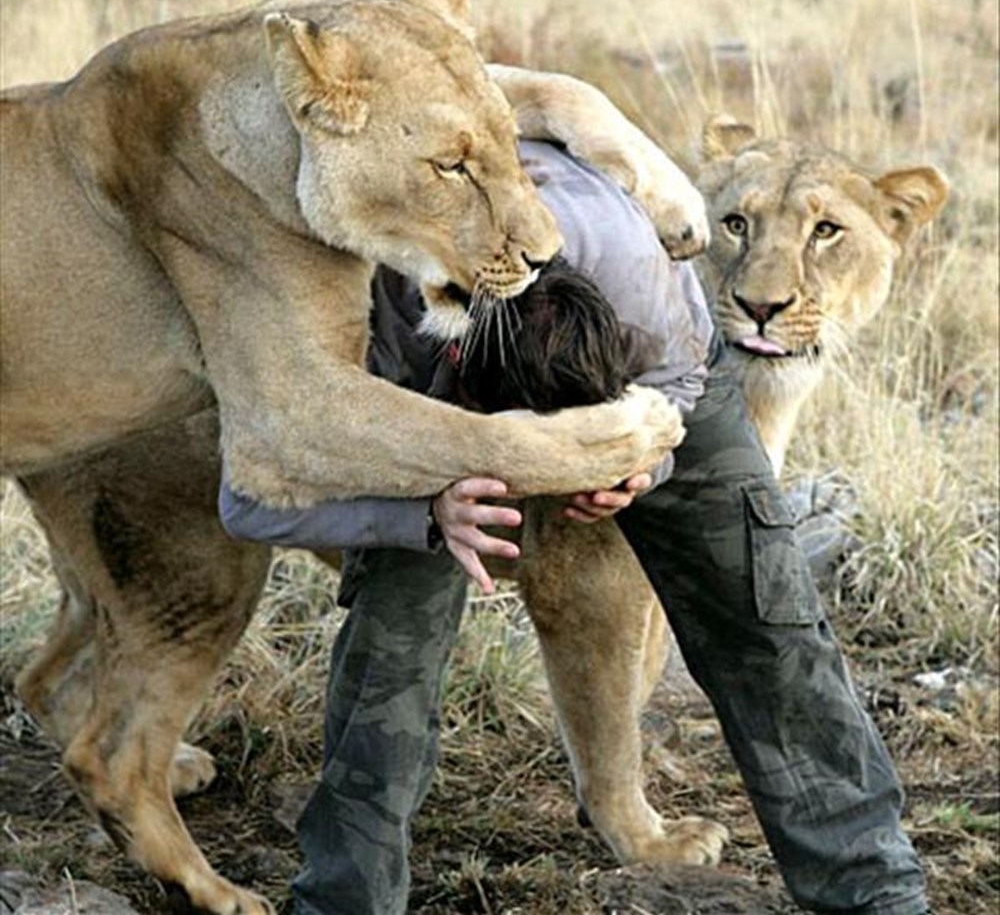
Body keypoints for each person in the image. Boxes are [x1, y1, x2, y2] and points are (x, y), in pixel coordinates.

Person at [221, 141, 930, 915]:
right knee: (393, 635)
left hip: (658, 380)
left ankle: (875, 891)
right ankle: (343, 900)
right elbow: (249, 495)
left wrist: (640, 464)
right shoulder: (372, 327)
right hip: (426, 413)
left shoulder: (637, 274)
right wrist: (422, 512)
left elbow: (683, 378)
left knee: (764, 605)